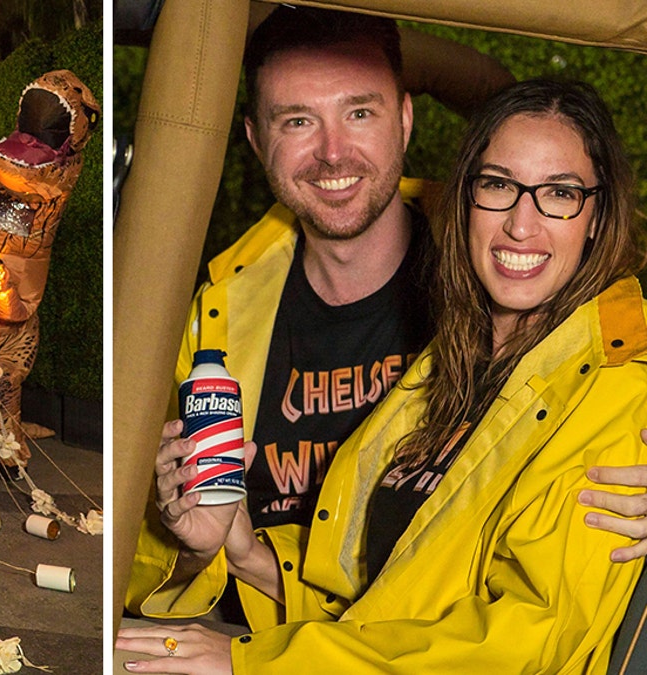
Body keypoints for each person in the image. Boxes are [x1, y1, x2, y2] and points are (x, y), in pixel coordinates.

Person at [124, 5, 647, 625]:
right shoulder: (216, 313)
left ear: (404, 119)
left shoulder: (505, 283)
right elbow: (155, 550)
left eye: (359, 113)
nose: (332, 153)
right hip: (263, 623)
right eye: (298, 120)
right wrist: (203, 553)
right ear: (256, 139)